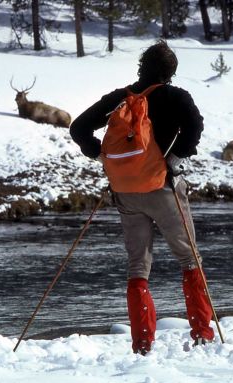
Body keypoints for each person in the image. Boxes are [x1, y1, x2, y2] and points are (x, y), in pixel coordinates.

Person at [69, 40, 214, 355]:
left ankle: (143, 343)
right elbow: (195, 126)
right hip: (164, 189)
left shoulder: (120, 98)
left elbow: (79, 128)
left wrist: (103, 158)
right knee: (189, 260)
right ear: (170, 72)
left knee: (137, 266)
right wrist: (174, 160)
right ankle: (202, 332)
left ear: (141, 67)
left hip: (125, 192)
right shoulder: (176, 96)